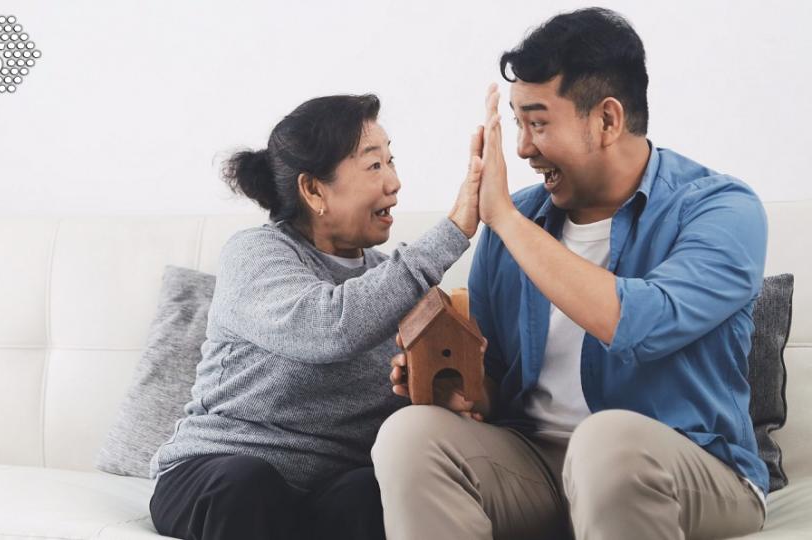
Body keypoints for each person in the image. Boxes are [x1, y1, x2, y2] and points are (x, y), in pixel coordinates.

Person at [373, 7, 768, 540]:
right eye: (515, 123)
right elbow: (498, 375)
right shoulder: (517, 220)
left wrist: (508, 223)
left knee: (606, 445)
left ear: (607, 119)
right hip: (536, 463)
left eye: (538, 123)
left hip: (692, 469)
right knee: (409, 434)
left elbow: (639, 324)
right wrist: (460, 391)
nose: (521, 149)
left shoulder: (721, 209)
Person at [148, 93, 487, 540]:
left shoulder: (391, 283)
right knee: (249, 486)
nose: (395, 182)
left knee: (374, 490)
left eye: (391, 161)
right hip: (216, 471)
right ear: (313, 190)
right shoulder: (256, 253)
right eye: (374, 166)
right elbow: (329, 328)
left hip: (326, 491)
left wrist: (434, 398)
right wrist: (455, 229)